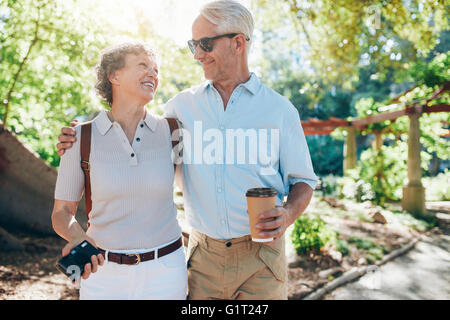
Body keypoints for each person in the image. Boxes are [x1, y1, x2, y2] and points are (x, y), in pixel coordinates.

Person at [57, 0, 318, 300]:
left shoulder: (279, 110)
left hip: (262, 259)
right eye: (193, 44)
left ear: (237, 43)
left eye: (205, 44)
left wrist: (287, 213)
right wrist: (79, 137)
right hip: (203, 258)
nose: (197, 55)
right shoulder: (180, 109)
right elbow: (130, 131)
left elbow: (304, 181)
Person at [51, 42, 187, 300]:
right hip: (103, 275)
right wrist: (79, 237)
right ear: (114, 76)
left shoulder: (172, 131)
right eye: (143, 65)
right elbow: (61, 213)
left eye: (156, 70)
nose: (153, 74)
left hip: (167, 271)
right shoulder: (80, 137)